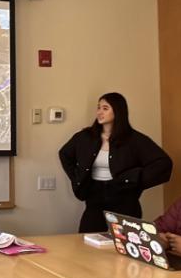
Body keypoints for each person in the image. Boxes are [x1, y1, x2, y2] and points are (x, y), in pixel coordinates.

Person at [59, 92, 172, 233]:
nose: (99, 112)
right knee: (87, 237)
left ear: (118, 111)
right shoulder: (85, 137)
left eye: (105, 108)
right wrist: (77, 177)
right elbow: (64, 154)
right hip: (94, 194)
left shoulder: (134, 139)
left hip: (124, 196)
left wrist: (135, 178)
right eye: (98, 107)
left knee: (127, 239)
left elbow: (163, 163)